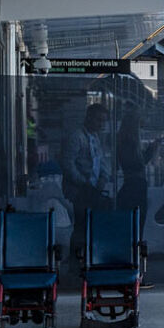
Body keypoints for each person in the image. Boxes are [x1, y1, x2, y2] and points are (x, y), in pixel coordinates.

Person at [61, 104, 112, 265]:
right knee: (81, 225)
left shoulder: (95, 137)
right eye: (99, 120)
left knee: (92, 224)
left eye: (104, 121)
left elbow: (101, 161)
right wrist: (83, 183)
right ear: (89, 118)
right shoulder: (76, 137)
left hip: (93, 189)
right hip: (80, 190)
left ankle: (90, 258)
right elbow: (67, 163)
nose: (101, 124)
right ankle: (76, 261)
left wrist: (103, 179)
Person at [115, 112, 159, 229]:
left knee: (133, 224)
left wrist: (151, 149)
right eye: (140, 126)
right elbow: (138, 164)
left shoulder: (125, 142)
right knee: (137, 223)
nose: (141, 130)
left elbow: (138, 162)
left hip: (132, 184)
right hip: (135, 186)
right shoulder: (129, 143)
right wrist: (151, 150)